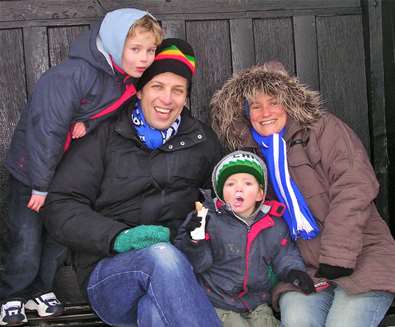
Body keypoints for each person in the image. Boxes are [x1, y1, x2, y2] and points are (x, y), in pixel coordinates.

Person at [41, 38, 223, 327]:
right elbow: (60, 205)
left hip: (180, 274)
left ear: (186, 97)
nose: (167, 99)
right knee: (160, 257)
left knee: (154, 313)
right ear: (139, 91)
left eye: (178, 90)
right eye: (157, 86)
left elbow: (220, 201)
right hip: (109, 275)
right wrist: (118, 237)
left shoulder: (201, 141)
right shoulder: (104, 136)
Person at [0, 8, 162, 326]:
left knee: (59, 237)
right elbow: (45, 128)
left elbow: (104, 109)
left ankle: (39, 290)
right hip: (32, 172)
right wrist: (40, 185)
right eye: (136, 49)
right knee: (25, 240)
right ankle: (10, 296)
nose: (144, 57)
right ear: (116, 44)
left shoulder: (122, 79)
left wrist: (88, 122)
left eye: (150, 50)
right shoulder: (73, 75)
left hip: (64, 174)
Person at [210, 62, 395, 327]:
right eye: (256, 106)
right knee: (296, 320)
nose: (265, 113)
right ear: (245, 112)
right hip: (305, 269)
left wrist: (337, 256)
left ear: (289, 102)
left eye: (274, 102)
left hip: (363, 256)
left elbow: (355, 188)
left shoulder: (324, 130)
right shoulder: (250, 159)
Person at [175, 150, 316, 327]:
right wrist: (194, 240)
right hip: (217, 302)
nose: (238, 188)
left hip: (256, 302)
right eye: (230, 184)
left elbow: (285, 254)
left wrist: (294, 271)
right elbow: (197, 264)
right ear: (220, 192)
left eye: (248, 183)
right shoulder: (206, 219)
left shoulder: (274, 224)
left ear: (259, 194)